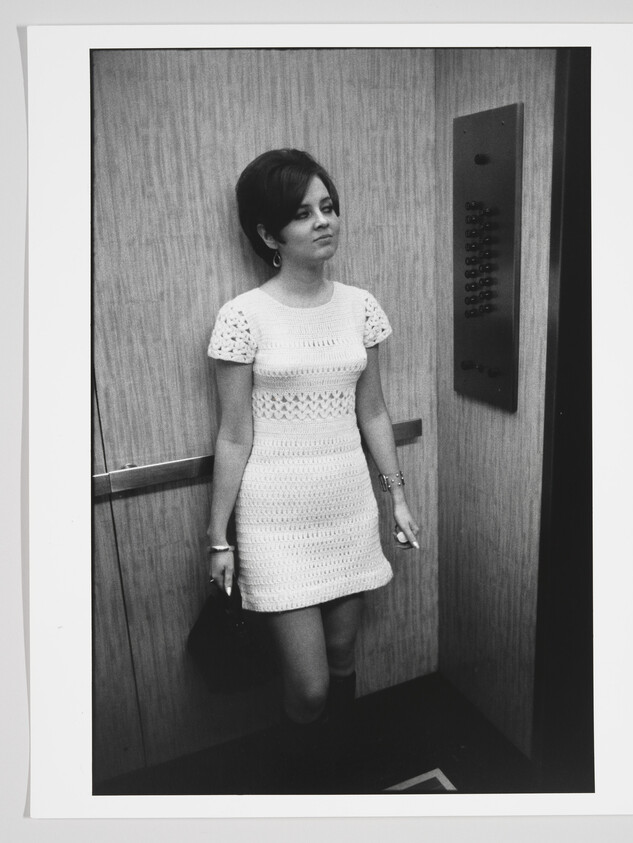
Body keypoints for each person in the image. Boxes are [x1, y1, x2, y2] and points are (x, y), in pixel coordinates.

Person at [206, 148, 419, 781]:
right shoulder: (242, 317)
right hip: (275, 523)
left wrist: (397, 499)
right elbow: (234, 436)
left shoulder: (360, 307)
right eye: (303, 214)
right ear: (269, 234)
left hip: (348, 509)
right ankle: (304, 797)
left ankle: (340, 783)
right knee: (309, 689)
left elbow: (373, 413)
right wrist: (218, 537)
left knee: (344, 651)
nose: (324, 221)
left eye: (328, 207)